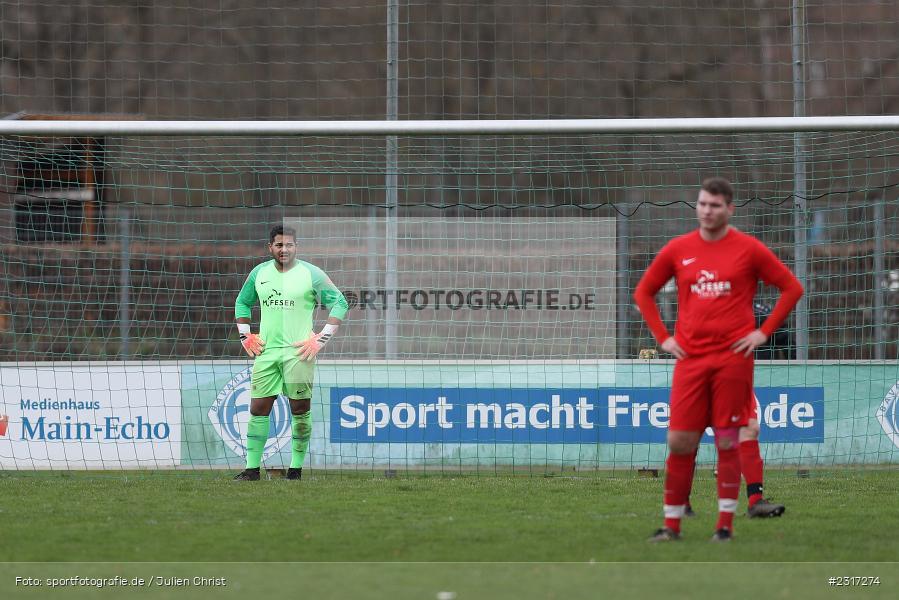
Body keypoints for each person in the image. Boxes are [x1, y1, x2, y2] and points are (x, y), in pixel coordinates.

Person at [633, 177, 803, 541]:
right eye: (702, 204)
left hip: (732, 361)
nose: (707, 211)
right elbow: (644, 292)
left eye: (714, 205)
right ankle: (671, 525)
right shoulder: (679, 248)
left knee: (730, 438)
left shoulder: (748, 249)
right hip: (691, 360)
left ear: (729, 209)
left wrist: (763, 332)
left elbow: (792, 287)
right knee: (680, 440)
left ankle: (724, 527)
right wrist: (664, 338)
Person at [232, 225, 348, 481]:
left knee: (300, 409)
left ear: (297, 247)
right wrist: (245, 335)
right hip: (266, 352)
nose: (284, 249)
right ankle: (252, 470)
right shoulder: (259, 273)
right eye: (279, 245)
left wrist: (321, 339)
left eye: (289, 245)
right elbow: (242, 302)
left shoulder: (311, 274)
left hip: (299, 354)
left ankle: (295, 470)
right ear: (270, 247)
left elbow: (340, 303)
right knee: (258, 408)